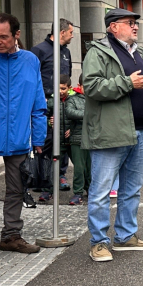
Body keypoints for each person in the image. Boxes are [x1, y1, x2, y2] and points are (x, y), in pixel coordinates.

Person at [81, 8, 143, 262]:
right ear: (113, 27)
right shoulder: (98, 52)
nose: (135, 27)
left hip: (139, 130)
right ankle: (99, 242)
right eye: (129, 23)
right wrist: (127, 83)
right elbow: (91, 87)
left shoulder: (138, 52)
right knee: (101, 191)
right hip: (110, 133)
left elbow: (141, 89)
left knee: (132, 188)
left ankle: (125, 236)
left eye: (136, 23)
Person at [0, 13, 46, 256]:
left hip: (19, 139)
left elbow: (38, 101)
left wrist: (39, 138)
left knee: (17, 189)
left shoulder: (30, 60)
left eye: (3, 36)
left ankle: (11, 236)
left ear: (16, 34)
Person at [32, 19, 73, 201]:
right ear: (62, 32)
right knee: (45, 140)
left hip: (61, 102)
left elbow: (68, 76)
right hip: (44, 103)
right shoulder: (39, 50)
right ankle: (43, 178)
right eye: (71, 32)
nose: (72, 36)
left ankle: (61, 175)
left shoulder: (66, 52)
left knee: (63, 137)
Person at [62, 76, 88, 205]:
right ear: (79, 85)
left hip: (95, 139)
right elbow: (70, 112)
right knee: (79, 168)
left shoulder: (96, 99)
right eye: (85, 86)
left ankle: (91, 190)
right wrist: (90, 114)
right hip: (77, 139)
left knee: (91, 168)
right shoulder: (72, 99)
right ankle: (78, 192)